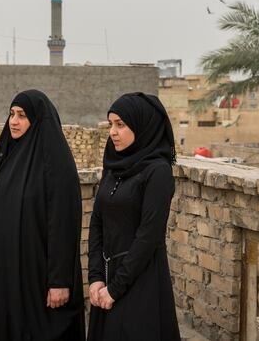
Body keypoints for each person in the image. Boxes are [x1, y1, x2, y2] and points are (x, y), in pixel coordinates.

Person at [0, 90, 85, 341]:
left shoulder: (57, 167)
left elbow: (64, 225)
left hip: (38, 277)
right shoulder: (5, 158)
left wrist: (59, 281)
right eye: (11, 114)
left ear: (38, 120)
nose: (13, 121)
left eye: (22, 115)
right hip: (5, 277)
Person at [87, 92, 180, 341]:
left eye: (121, 125)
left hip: (140, 280)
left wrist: (115, 289)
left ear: (142, 126)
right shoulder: (114, 166)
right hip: (107, 278)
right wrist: (96, 278)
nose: (113, 132)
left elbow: (148, 237)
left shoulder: (157, 172)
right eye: (111, 125)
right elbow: (97, 223)